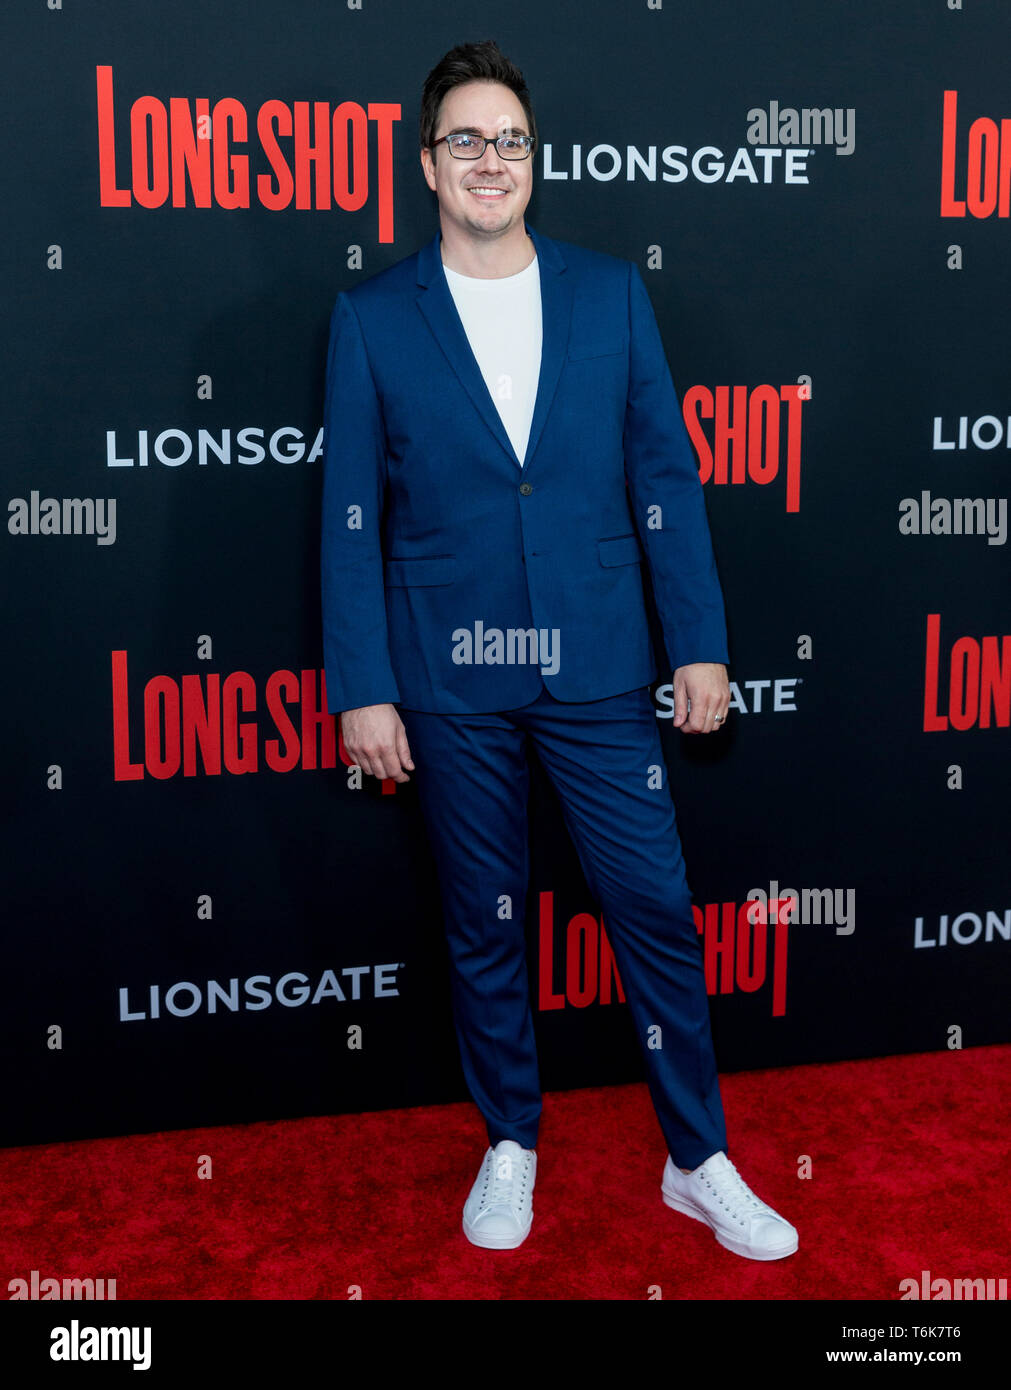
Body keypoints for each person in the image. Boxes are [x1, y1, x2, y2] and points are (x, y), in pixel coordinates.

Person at [321, 38, 798, 1261]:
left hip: (596, 662)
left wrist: (697, 642)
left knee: (651, 910)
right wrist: (364, 687)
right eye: (468, 139)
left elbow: (665, 477)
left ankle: (700, 1159)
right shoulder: (373, 318)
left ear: (536, 161)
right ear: (428, 162)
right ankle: (511, 1142)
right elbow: (351, 520)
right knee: (486, 924)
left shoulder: (609, 294)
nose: (493, 160)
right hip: (447, 676)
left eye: (512, 140)